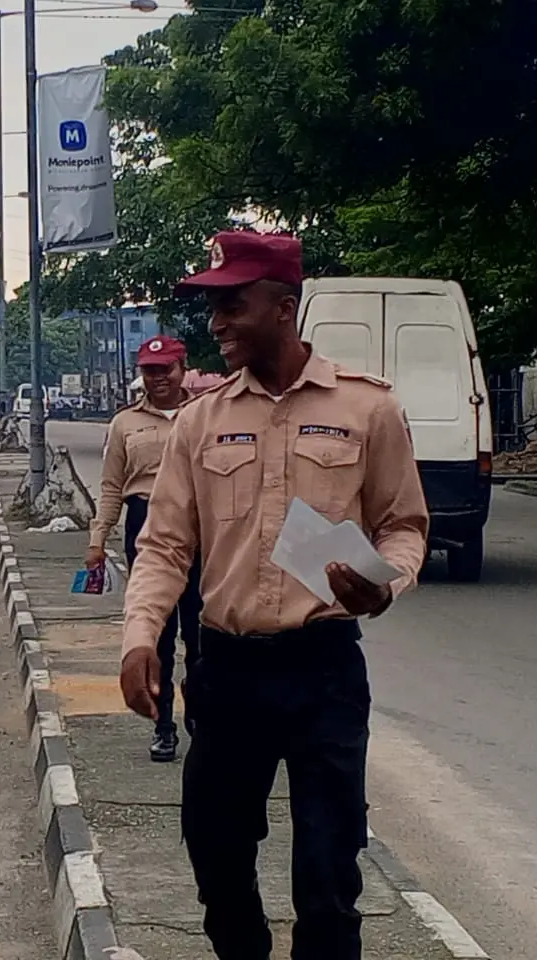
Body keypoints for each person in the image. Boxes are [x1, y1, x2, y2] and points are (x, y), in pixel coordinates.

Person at [119, 231, 429, 960]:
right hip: (227, 669)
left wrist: (381, 588)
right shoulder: (201, 421)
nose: (218, 323)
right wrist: (140, 635)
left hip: (323, 670)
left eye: (234, 305)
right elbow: (165, 545)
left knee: (328, 874)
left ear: (284, 307)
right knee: (218, 858)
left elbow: (404, 526)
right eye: (214, 308)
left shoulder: (368, 410)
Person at [86, 334, 202, 763]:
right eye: (149, 372)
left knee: (202, 632)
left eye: (165, 370)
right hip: (145, 525)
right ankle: (164, 725)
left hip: (199, 530)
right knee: (158, 632)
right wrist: (98, 541)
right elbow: (112, 487)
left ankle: (202, 718)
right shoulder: (125, 424)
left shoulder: (204, 415)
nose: (158, 380)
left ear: (182, 368)